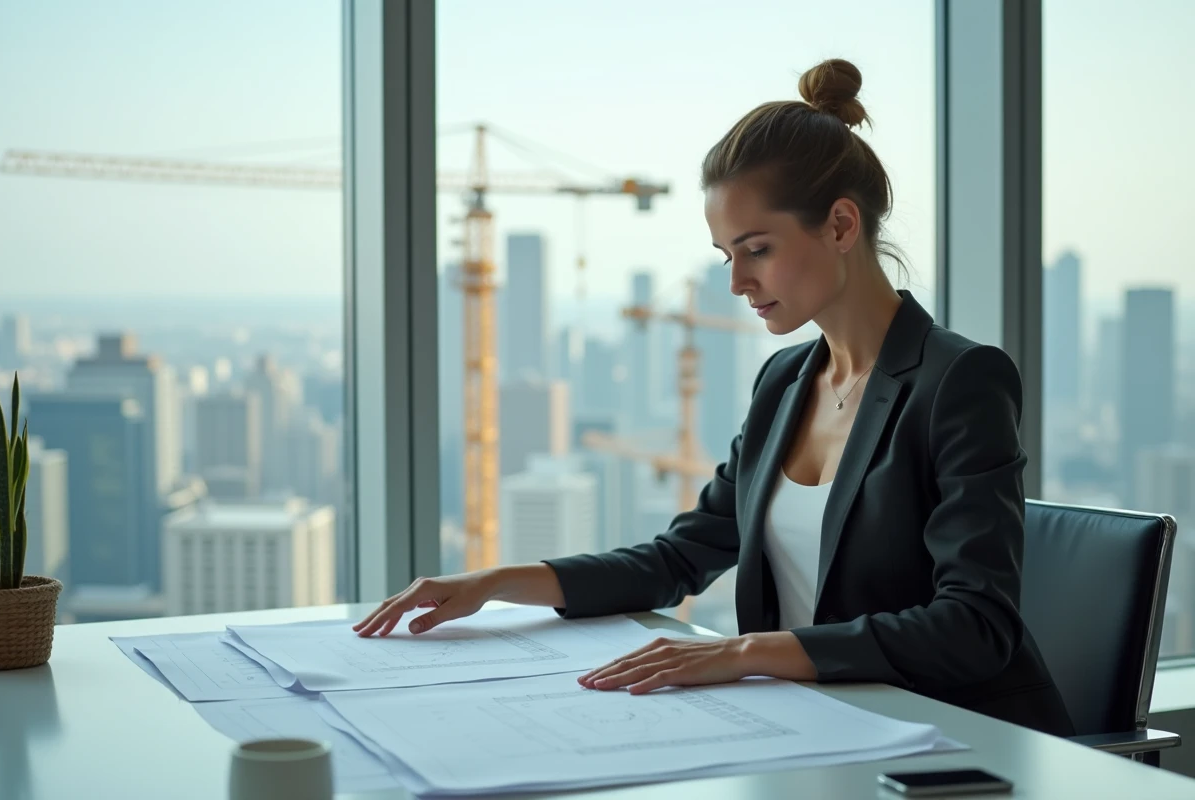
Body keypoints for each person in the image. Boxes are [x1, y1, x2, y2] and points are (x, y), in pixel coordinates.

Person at [355, 58, 1074, 737]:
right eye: (727, 256)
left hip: (960, 741)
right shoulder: (785, 384)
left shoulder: (959, 380)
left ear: (842, 225)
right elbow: (679, 559)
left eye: (757, 249)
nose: (736, 283)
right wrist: (493, 582)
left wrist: (747, 653)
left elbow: (977, 626)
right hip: (820, 726)